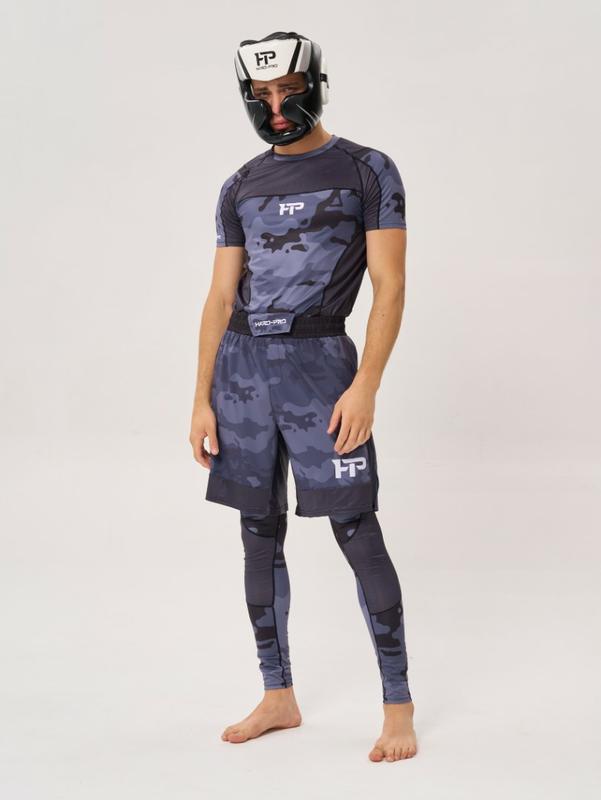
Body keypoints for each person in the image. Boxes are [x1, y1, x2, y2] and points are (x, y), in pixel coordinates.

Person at [189, 31, 418, 762]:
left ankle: (397, 704)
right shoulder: (240, 184)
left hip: (321, 367)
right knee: (258, 532)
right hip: (241, 372)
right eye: (261, 97)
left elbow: (389, 285)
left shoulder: (366, 169)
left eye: (290, 91)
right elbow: (220, 295)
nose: (278, 108)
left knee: (356, 530)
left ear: (317, 86)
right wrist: (201, 398)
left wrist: (365, 384)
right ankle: (277, 694)